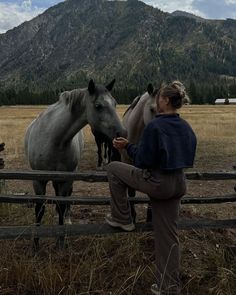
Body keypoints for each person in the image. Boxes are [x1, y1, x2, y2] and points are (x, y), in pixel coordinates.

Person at [105, 81, 197, 295]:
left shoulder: (155, 126)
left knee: (113, 168)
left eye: (159, 98)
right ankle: (169, 286)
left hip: (157, 183)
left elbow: (142, 161)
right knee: (169, 237)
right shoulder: (186, 127)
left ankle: (122, 217)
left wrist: (126, 145)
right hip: (179, 183)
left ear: (164, 100)